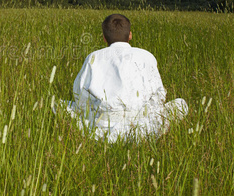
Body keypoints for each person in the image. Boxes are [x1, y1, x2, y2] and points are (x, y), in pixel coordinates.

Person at [65, 14, 188, 143]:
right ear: (130, 35)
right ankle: (139, 133)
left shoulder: (93, 57)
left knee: (62, 106)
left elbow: (79, 94)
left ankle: (108, 134)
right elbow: (159, 94)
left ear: (104, 38)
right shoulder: (147, 56)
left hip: (104, 123)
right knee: (180, 105)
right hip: (143, 124)